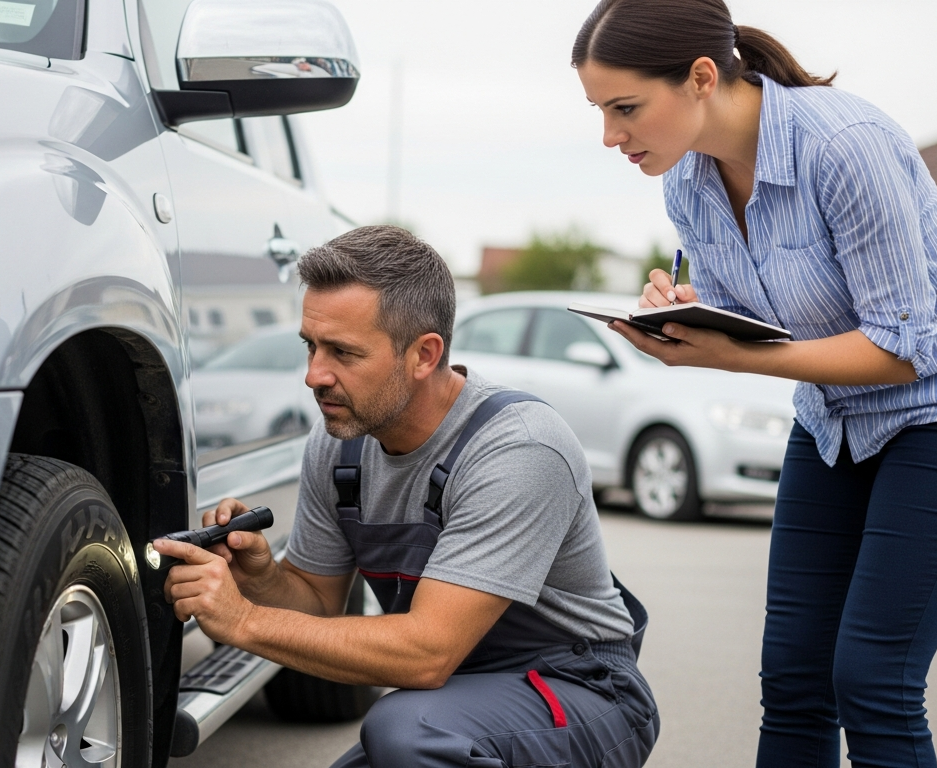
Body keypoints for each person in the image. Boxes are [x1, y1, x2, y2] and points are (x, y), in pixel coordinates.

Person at [571, 1, 937, 767]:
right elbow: (757, 321)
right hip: (837, 418)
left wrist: (724, 357)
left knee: (873, 678)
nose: (610, 135)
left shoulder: (843, 144)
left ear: (699, 78)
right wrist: (690, 318)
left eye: (625, 108)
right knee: (793, 679)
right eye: (598, 111)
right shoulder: (688, 183)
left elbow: (900, 347)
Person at [154, 225, 658, 767]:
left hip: (577, 691)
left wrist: (244, 622)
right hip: (456, 700)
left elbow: (427, 654)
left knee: (407, 732)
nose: (313, 375)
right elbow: (319, 605)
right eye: (311, 345)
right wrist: (259, 581)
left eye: (343, 352)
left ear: (423, 354)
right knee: (409, 732)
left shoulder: (517, 449)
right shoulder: (337, 444)